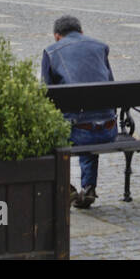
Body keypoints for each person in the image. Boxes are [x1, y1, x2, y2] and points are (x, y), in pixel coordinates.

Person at [40, 15, 115, 210]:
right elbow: (111, 85)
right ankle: (89, 186)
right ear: (81, 32)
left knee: (72, 125)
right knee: (90, 117)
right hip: (108, 130)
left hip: (78, 132)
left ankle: (66, 187)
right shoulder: (100, 47)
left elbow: (46, 96)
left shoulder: (51, 51)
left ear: (57, 36)